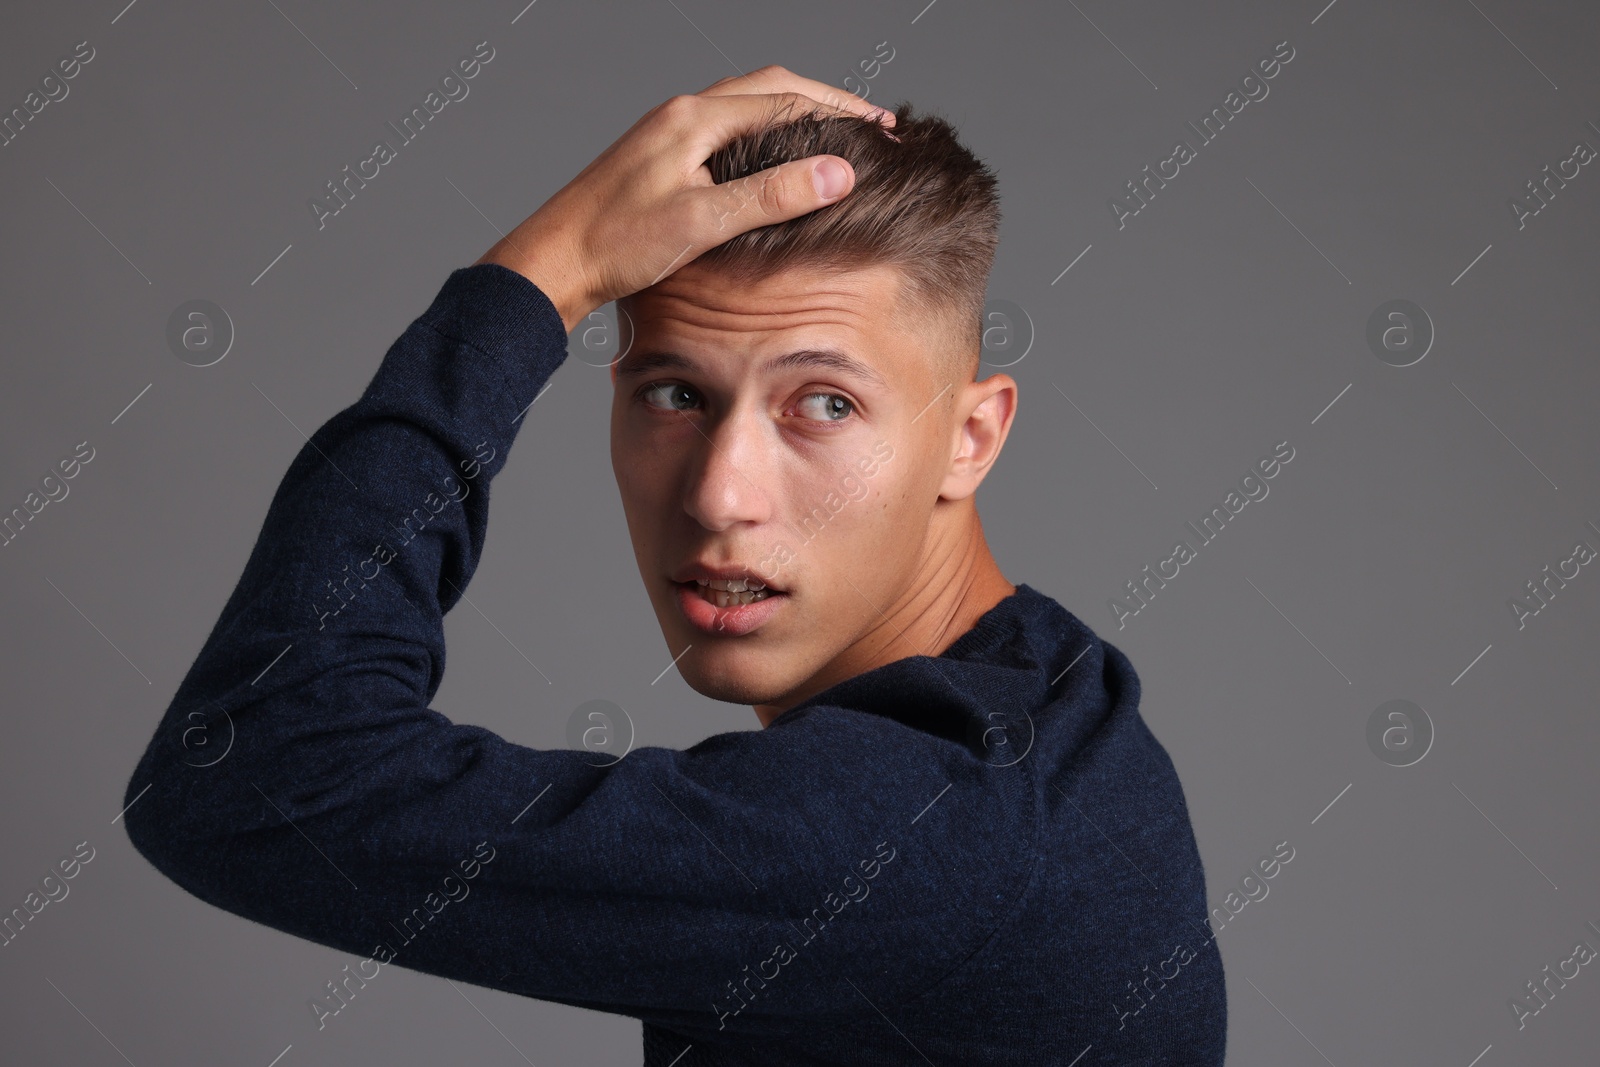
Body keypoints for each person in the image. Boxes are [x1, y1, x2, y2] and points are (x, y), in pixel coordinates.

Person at [122, 67, 1226, 1065]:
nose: (717, 492)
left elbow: (248, 765)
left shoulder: (920, 830)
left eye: (824, 404)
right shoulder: (1052, 697)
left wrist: (541, 274)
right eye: (676, 394)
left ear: (969, 437)